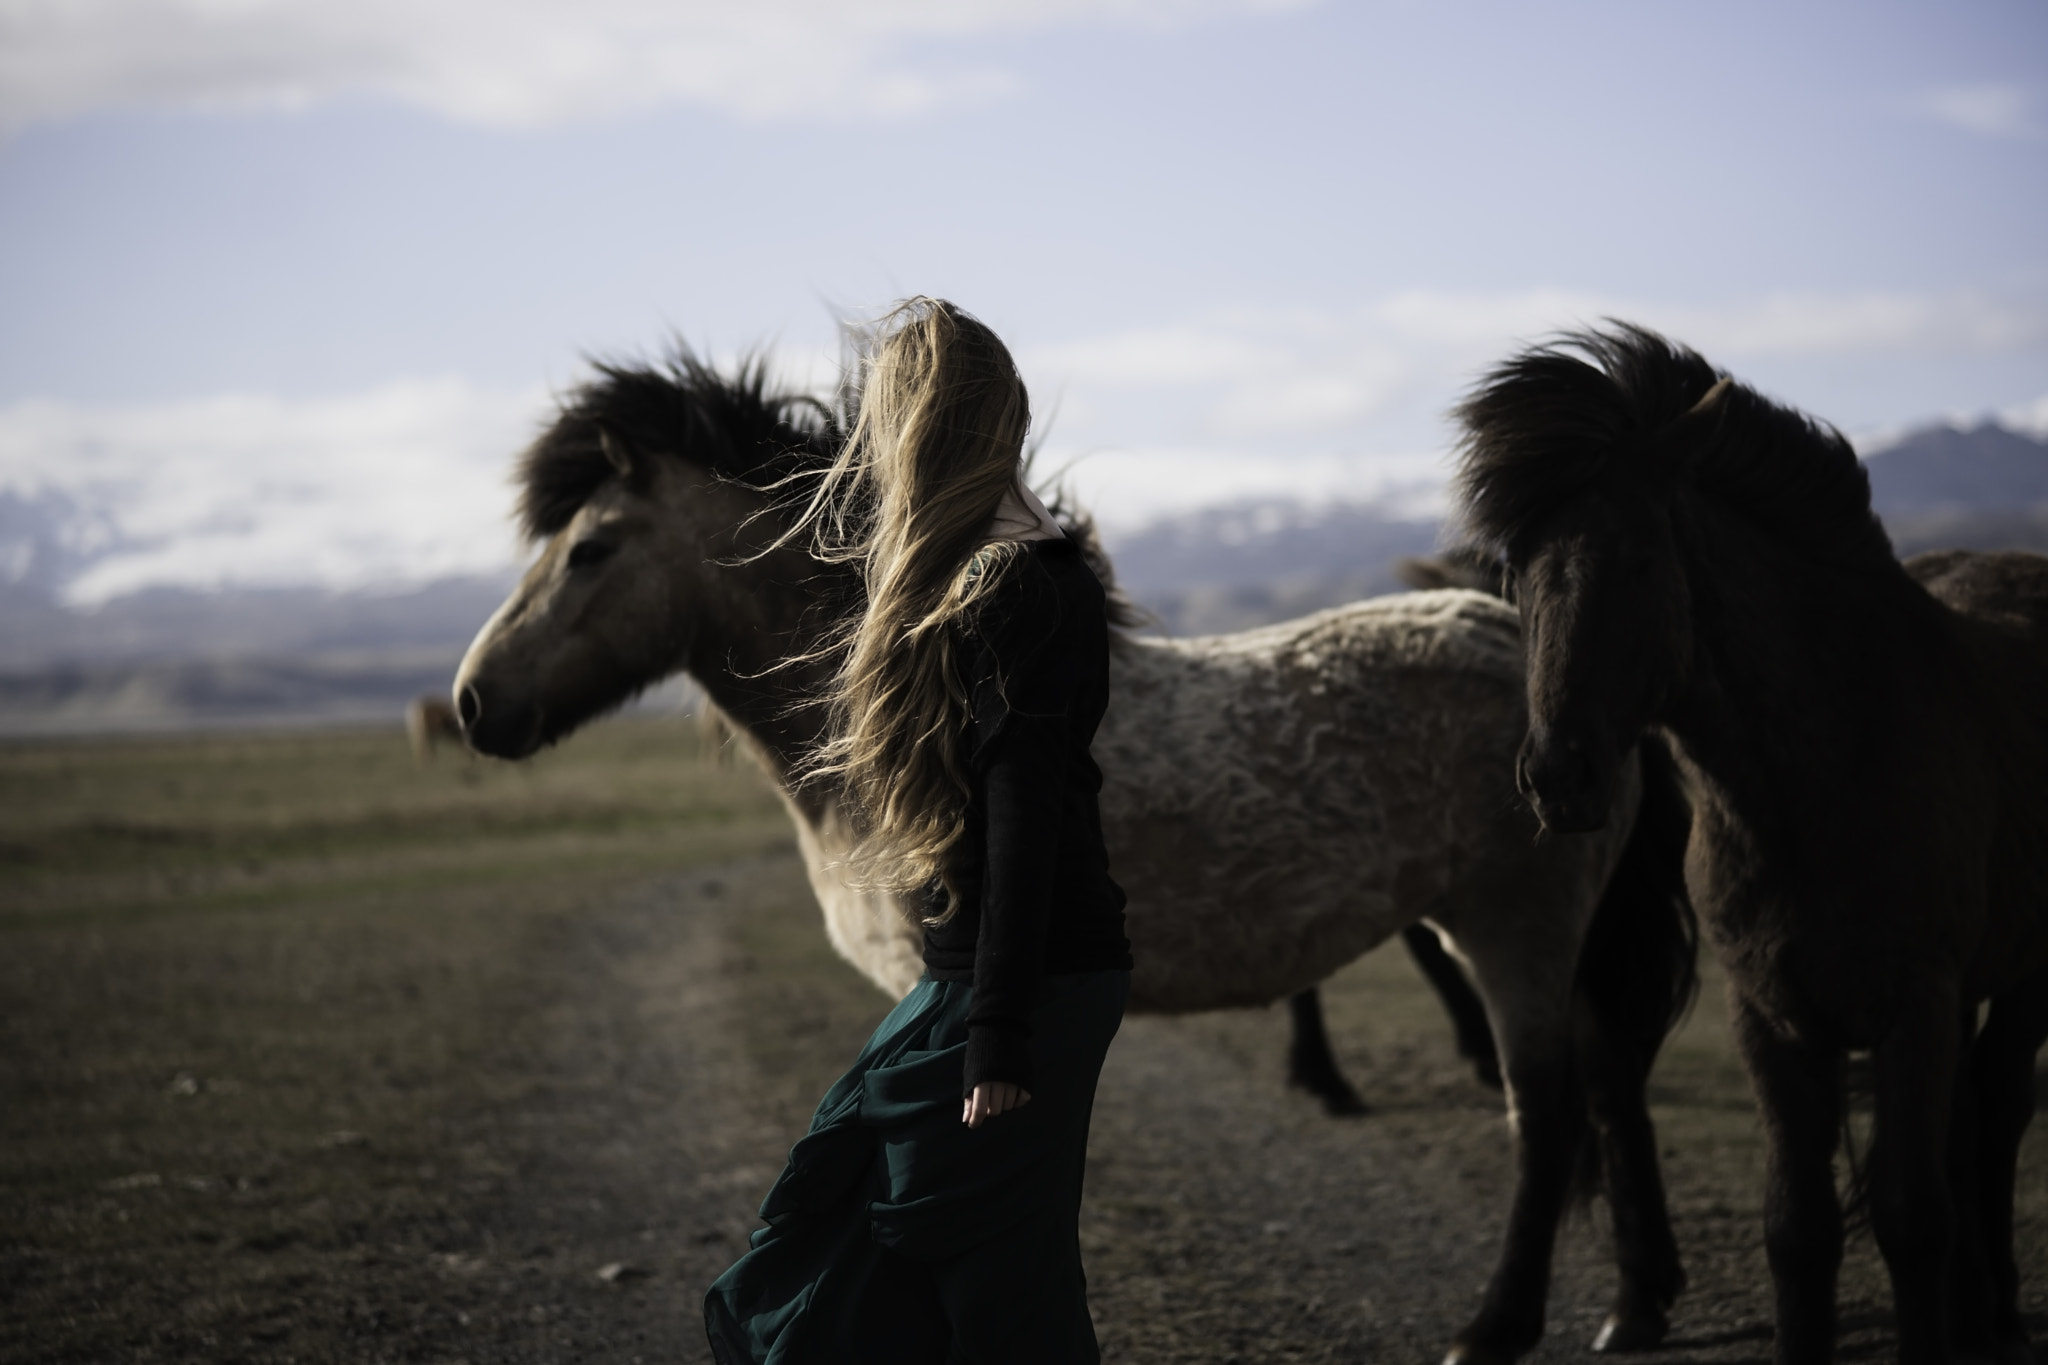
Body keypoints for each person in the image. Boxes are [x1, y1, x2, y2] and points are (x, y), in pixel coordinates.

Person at [704, 298, 1132, 1364]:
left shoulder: (1018, 589)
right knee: (856, 1227)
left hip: (1023, 987)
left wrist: (996, 1035)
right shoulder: (996, 576)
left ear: (912, 431)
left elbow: (1025, 815)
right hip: (989, 978)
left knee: (995, 1287)